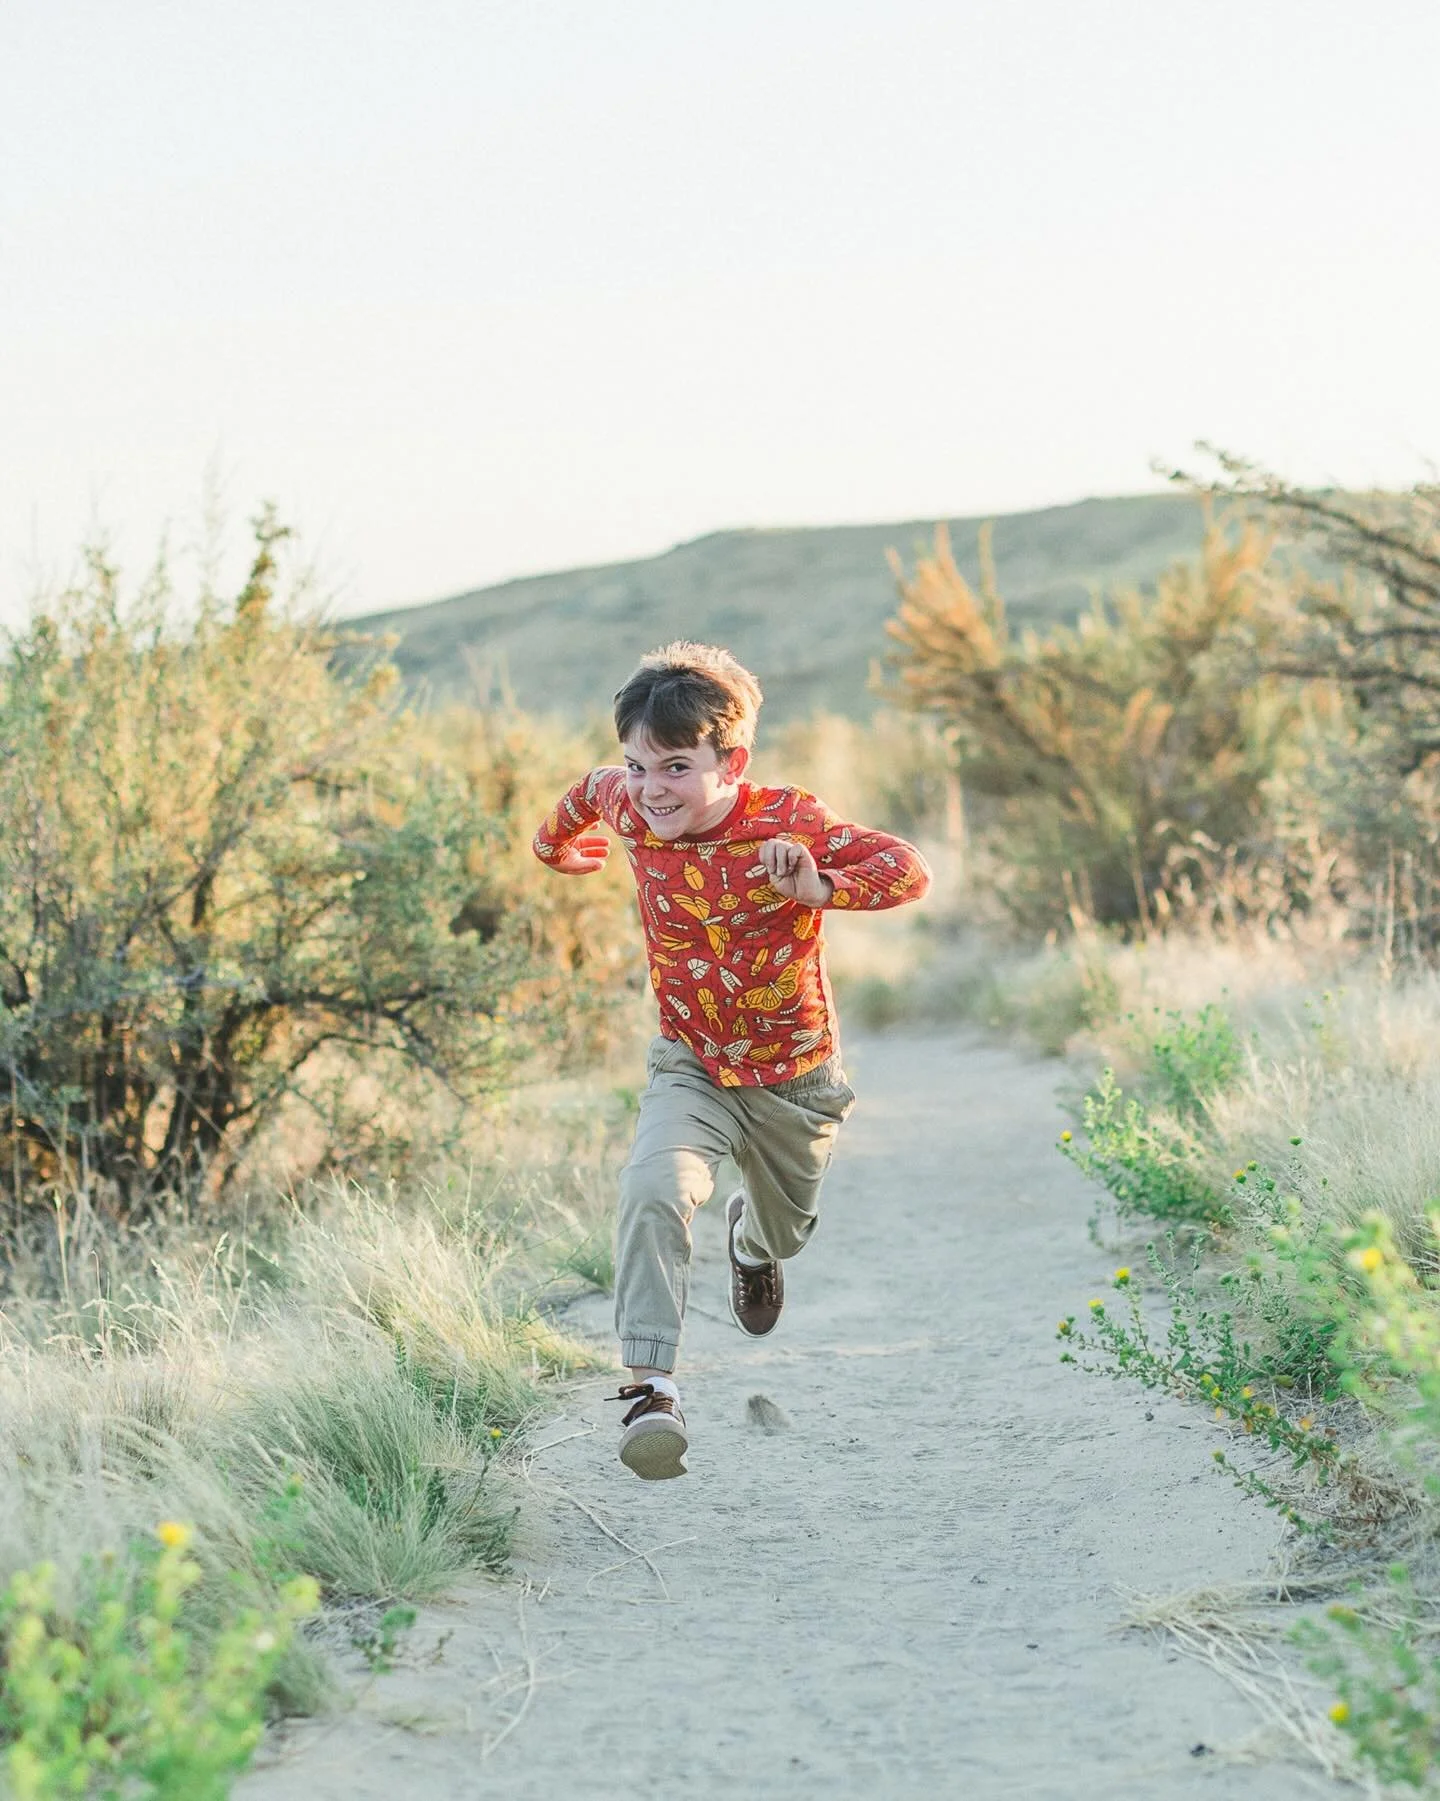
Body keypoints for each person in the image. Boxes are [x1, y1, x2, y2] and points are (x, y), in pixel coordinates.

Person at [532, 641, 931, 1478]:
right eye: (638, 765)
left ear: (732, 760)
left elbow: (907, 869)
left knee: (788, 1227)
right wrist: (555, 849)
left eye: (675, 766)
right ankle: (651, 1390)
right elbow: (578, 798)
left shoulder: (789, 822)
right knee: (653, 1185)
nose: (651, 788)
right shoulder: (628, 802)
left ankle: (751, 1242)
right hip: (693, 1062)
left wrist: (820, 889)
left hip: (794, 1076)